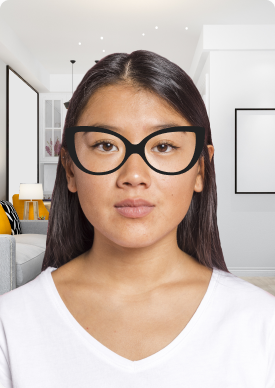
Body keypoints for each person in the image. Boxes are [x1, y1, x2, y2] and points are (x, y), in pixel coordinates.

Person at [0, 50, 274, 388]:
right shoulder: (10, 325)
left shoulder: (261, 322)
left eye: (162, 146)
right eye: (105, 145)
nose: (134, 175)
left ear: (200, 168)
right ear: (70, 169)